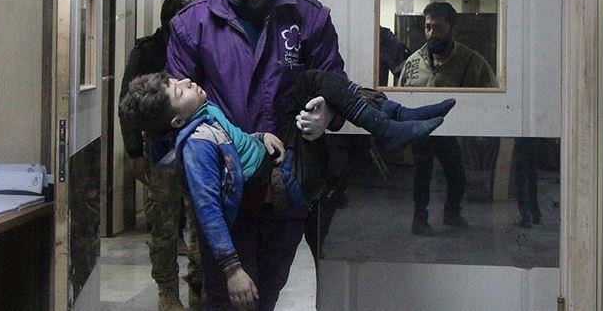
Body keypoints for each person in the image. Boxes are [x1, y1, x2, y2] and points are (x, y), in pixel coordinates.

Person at [118, 70, 453, 310]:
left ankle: (395, 116)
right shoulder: (197, 145)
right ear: (177, 121)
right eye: (179, 92)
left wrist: (258, 137)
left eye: (176, 81)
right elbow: (208, 213)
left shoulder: (203, 113)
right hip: (287, 180)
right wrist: (233, 270)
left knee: (311, 82)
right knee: (311, 82)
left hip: (278, 164)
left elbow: (232, 144)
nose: (186, 82)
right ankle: (390, 125)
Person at [163, 0, 351, 309]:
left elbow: (334, 84)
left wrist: (327, 114)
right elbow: (177, 109)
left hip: (286, 183)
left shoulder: (308, 18)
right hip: (223, 185)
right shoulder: (192, 24)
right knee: (225, 297)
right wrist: (235, 144)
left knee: (267, 292)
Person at [118, 0, 201, 311]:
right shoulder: (148, 51)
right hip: (161, 148)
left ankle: (198, 288)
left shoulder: (202, 44)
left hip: (199, 145)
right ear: (168, 20)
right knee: (163, 226)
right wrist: (134, 152)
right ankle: (167, 292)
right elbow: (128, 105)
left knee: (202, 223)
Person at [397, 1, 498, 236]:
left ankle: (452, 214)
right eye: (428, 27)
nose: (432, 33)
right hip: (421, 129)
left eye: (438, 28)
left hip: (452, 130)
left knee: (456, 176)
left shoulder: (472, 61)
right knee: (421, 177)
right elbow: (400, 96)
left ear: (452, 28)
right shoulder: (413, 62)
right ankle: (419, 220)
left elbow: (491, 98)